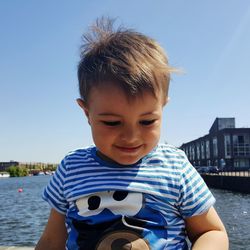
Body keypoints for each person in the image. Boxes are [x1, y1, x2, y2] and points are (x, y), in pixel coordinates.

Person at [35, 17, 228, 250]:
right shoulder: (71, 168)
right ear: (87, 113)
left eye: (147, 121)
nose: (131, 137)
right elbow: (51, 240)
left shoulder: (175, 167)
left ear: (163, 108)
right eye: (112, 122)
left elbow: (211, 231)